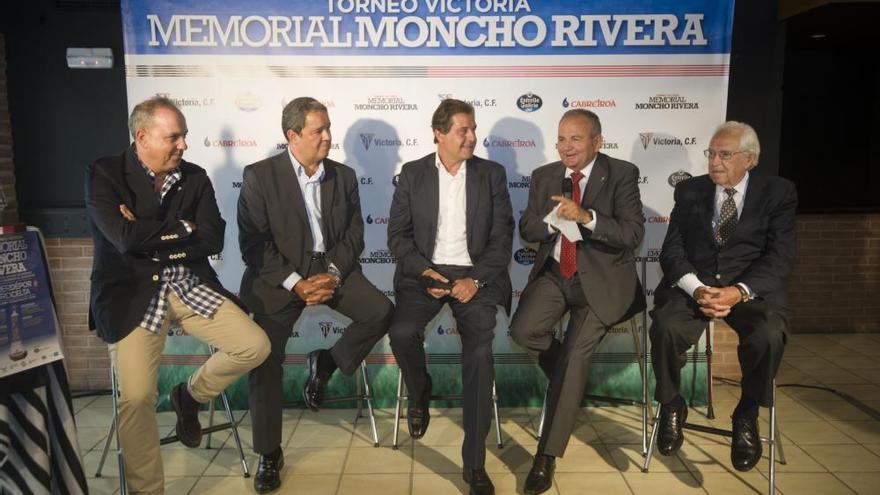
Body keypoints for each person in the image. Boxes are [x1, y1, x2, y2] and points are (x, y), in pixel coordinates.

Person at [85, 96, 270, 494]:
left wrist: (152, 237)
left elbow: (213, 237)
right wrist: (182, 229)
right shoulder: (104, 174)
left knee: (255, 345)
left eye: (184, 136)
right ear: (142, 137)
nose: (183, 144)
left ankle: (189, 396)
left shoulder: (196, 177)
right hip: (131, 294)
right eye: (174, 137)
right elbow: (121, 238)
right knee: (135, 399)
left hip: (187, 283)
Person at [238, 97, 393, 493]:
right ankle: (269, 453)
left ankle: (325, 363)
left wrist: (333, 274)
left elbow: (354, 234)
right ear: (293, 136)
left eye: (328, 128)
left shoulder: (343, 175)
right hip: (279, 278)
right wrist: (296, 282)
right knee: (263, 355)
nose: (328, 137)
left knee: (380, 311)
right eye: (318, 131)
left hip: (332, 269)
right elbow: (254, 246)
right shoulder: (259, 176)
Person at [509, 109, 645, 495]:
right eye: (561, 139)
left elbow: (632, 234)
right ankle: (568, 378)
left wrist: (587, 217)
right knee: (523, 330)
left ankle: (545, 457)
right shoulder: (544, 176)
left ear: (597, 141)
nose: (566, 147)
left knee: (573, 359)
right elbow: (528, 229)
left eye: (576, 139)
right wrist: (552, 219)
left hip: (600, 284)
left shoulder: (621, 173)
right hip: (556, 275)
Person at [649, 121, 796, 472]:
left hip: (748, 292)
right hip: (694, 287)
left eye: (725, 155)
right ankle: (671, 404)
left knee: (769, 334)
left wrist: (737, 292)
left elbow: (780, 256)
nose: (715, 162)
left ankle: (746, 413)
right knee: (666, 327)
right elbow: (672, 252)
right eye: (711, 153)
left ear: (750, 158)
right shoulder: (689, 191)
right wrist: (697, 288)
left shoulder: (778, 192)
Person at [387, 98, 513, 495]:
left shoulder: (491, 174)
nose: (472, 137)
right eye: (463, 130)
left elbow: (501, 238)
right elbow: (397, 238)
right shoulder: (412, 174)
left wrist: (474, 281)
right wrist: (425, 272)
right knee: (402, 333)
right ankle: (420, 391)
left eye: (474, 128)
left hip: (476, 277)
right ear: (438, 134)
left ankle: (474, 464)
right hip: (426, 271)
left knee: (478, 353)